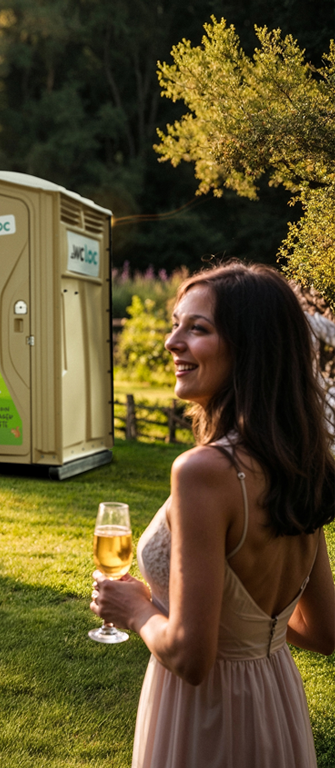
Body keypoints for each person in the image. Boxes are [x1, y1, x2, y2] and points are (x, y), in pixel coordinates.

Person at [92, 262, 335, 767]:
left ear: (250, 348)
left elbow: (189, 658)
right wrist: (241, 625)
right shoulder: (302, 463)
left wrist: (135, 608)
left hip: (204, 717)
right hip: (276, 702)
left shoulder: (202, 472)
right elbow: (323, 632)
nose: (171, 342)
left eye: (196, 328)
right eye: (175, 323)